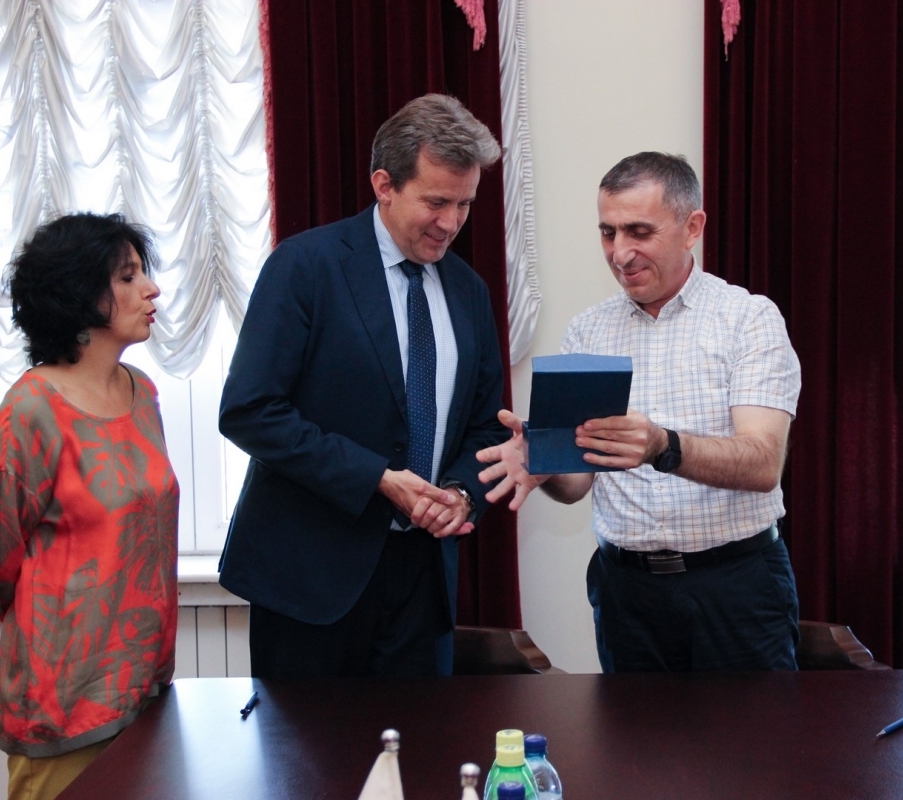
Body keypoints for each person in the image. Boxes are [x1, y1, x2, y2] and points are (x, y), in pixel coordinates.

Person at [478, 152, 802, 673]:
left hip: (737, 587)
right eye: (608, 233)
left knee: (751, 731)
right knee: (631, 731)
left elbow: (764, 463)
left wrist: (661, 446)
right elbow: (576, 483)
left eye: (639, 232)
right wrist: (541, 459)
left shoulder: (749, 319)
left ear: (692, 227)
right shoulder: (588, 330)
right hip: (626, 594)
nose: (620, 253)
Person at [217, 94, 506, 678]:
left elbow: (484, 427)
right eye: (436, 202)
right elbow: (250, 410)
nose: (451, 223)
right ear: (384, 185)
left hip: (423, 584)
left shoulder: (468, 291)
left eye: (465, 204)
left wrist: (461, 493)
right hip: (311, 581)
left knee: (421, 739)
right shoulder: (306, 266)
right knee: (305, 743)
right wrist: (376, 478)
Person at [0, 212, 179, 800]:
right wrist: (58, 613)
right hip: (62, 705)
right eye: (128, 277)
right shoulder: (30, 413)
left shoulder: (143, 393)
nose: (151, 289)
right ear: (80, 294)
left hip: (146, 690)